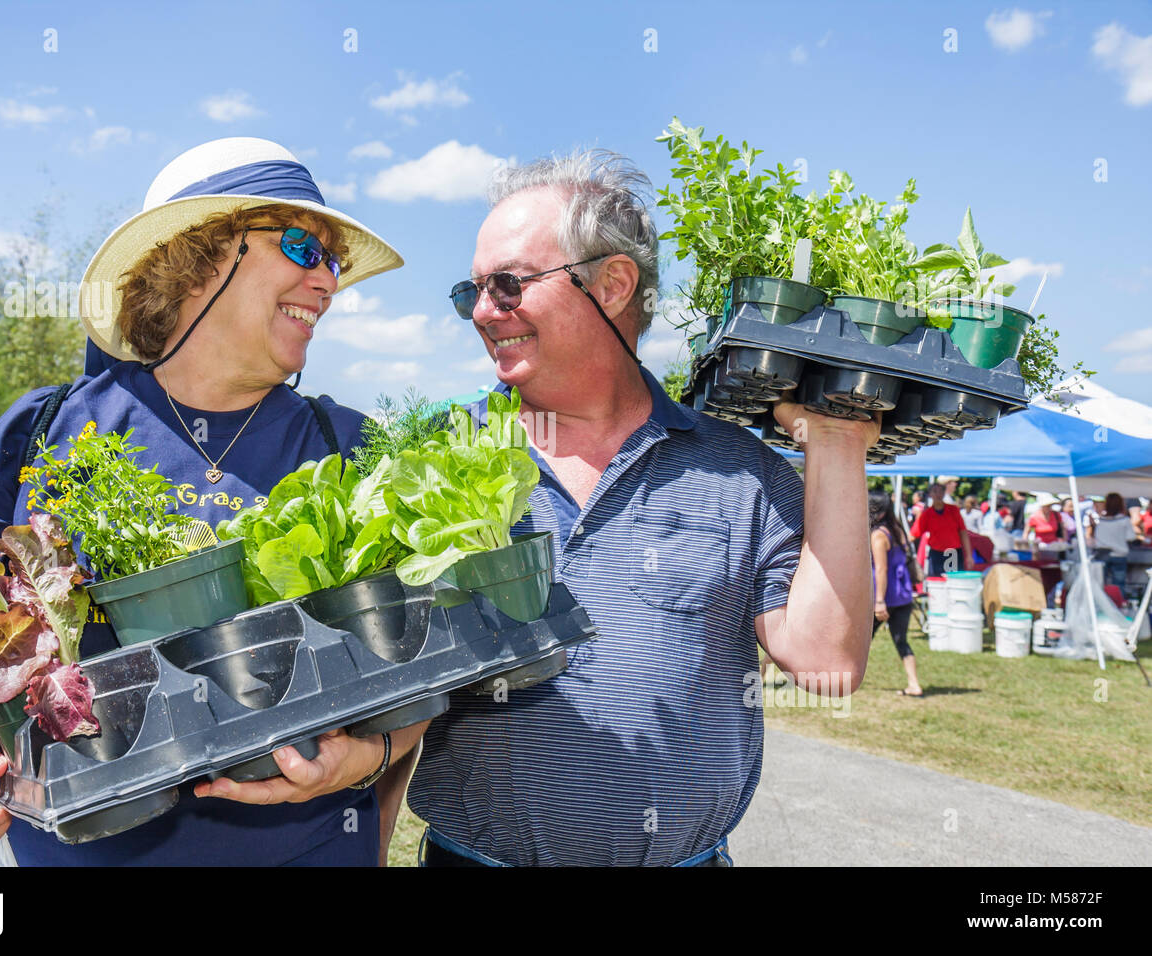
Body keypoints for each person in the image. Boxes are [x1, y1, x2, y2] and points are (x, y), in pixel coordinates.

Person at [0, 137, 422, 866]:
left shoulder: (353, 451)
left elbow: (426, 671)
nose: (329, 284)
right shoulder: (45, 431)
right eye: (306, 249)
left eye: (334, 262)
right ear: (197, 253)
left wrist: (369, 758)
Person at [406, 150, 877, 866]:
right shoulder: (435, 462)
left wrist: (837, 445)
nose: (480, 312)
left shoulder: (738, 467)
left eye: (507, 286)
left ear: (615, 284)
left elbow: (826, 663)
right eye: (468, 291)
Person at [869, 491, 922, 698]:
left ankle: (840, 679)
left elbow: (881, 570)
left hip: (886, 597)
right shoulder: (898, 530)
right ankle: (914, 683)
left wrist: (880, 601)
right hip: (903, 594)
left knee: (861, 639)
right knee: (902, 641)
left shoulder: (879, 535)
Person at [910, 482, 974, 577]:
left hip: (952, 552)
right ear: (930, 494)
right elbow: (914, 534)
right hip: (936, 553)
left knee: (954, 582)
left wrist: (969, 555)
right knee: (938, 583)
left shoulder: (953, 510)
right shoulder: (927, 514)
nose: (938, 494)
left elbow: (963, 532)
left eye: (941, 491)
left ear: (944, 493)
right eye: (935, 491)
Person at [1088, 492, 1138, 599]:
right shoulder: (1124, 520)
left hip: (1102, 555)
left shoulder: (1102, 520)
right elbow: (1131, 537)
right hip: (1119, 554)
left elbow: (1097, 537)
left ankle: (1101, 605)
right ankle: (1119, 606)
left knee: (1100, 584)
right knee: (1119, 585)